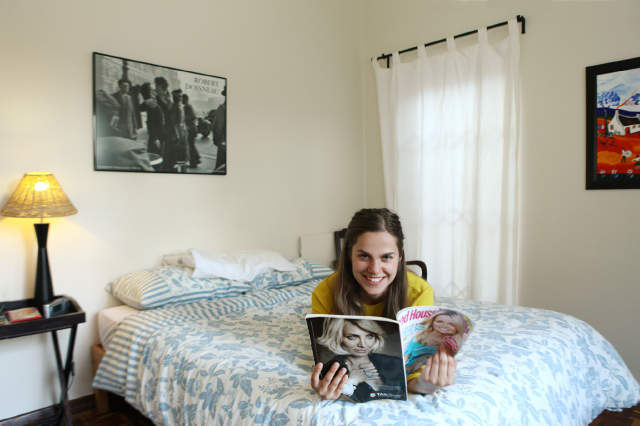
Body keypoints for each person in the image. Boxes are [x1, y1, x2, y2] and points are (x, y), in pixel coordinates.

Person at [310, 208, 457, 398]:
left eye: (386, 257)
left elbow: (417, 364)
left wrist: (425, 384)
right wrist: (330, 385)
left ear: (400, 257)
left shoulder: (420, 293)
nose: (374, 269)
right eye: (364, 256)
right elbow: (323, 360)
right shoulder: (324, 293)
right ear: (349, 255)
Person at [317, 318, 405, 402]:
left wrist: (379, 386)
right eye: (352, 337)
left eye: (369, 336)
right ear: (338, 338)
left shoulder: (395, 363)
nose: (363, 344)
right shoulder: (329, 369)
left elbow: (402, 394)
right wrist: (350, 382)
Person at [405, 309, 467, 375]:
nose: (444, 325)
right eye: (440, 321)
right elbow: (407, 353)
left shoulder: (455, 342)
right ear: (432, 322)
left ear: (457, 327)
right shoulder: (420, 332)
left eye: (451, 324)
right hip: (408, 368)